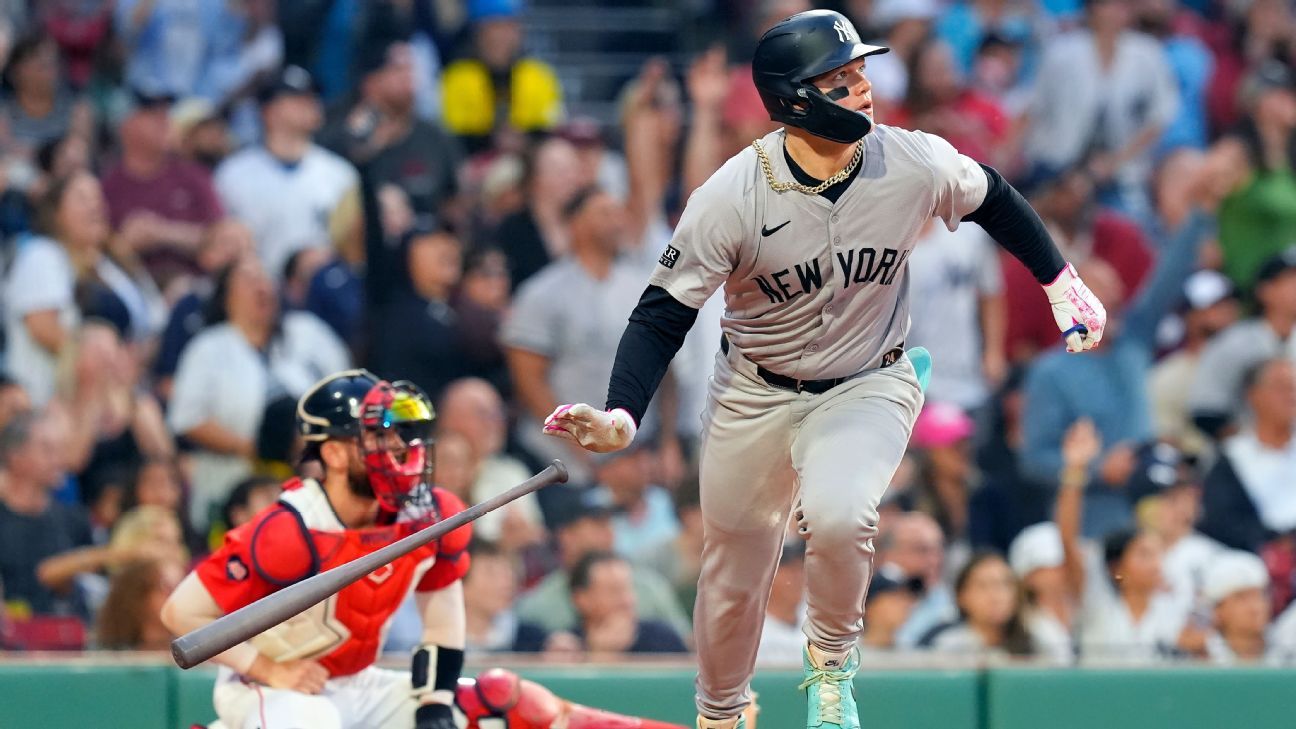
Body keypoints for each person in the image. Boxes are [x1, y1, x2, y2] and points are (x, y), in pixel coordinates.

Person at [541, 11, 1108, 729]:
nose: (863, 88)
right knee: (731, 580)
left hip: (870, 377)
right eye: (840, 79)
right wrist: (624, 413)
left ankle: (832, 672)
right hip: (754, 391)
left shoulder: (911, 159)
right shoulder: (731, 195)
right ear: (795, 99)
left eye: (862, 72)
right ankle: (722, 712)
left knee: (841, 515)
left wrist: (1061, 282)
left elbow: (992, 193)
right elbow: (661, 313)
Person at [161, 370, 474, 729]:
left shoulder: (427, 516)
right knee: (311, 720)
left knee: (486, 706)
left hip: (359, 682)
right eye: (376, 436)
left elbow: (442, 624)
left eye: (394, 434)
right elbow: (180, 613)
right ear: (335, 454)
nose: (397, 447)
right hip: (270, 687)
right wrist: (268, 669)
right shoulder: (290, 529)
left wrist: (435, 707)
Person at [568, 551, 688, 655]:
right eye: (614, 591)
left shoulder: (663, 639)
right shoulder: (568, 648)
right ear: (582, 599)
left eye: (628, 589)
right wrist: (598, 655)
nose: (627, 600)